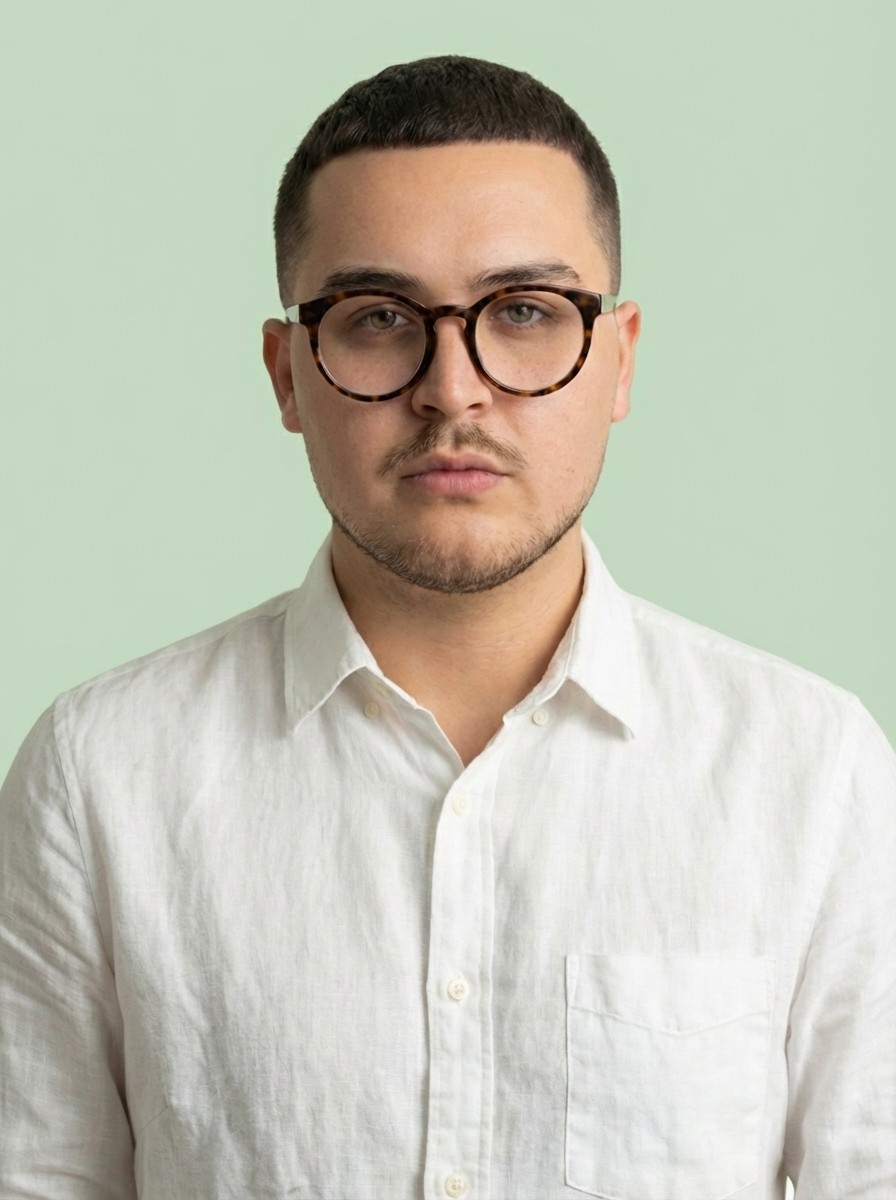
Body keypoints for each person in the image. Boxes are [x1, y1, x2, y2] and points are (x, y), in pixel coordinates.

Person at [0, 53, 893, 1200]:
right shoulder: (100, 776)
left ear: (616, 359)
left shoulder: (814, 777)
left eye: (522, 312)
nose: (452, 389)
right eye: (377, 319)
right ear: (286, 375)